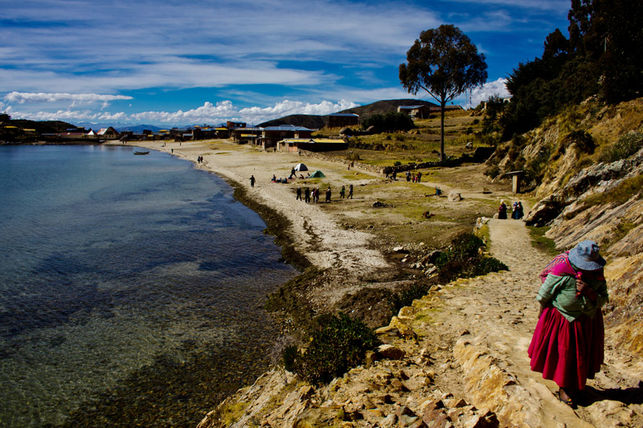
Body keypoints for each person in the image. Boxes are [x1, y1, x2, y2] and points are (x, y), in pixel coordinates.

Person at [528, 240, 608, 408]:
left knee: (581, 354)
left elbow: (603, 298)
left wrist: (589, 291)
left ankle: (578, 384)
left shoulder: (597, 275)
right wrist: (542, 312)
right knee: (565, 354)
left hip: (587, 320)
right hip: (563, 319)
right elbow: (545, 294)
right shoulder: (562, 269)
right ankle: (564, 387)